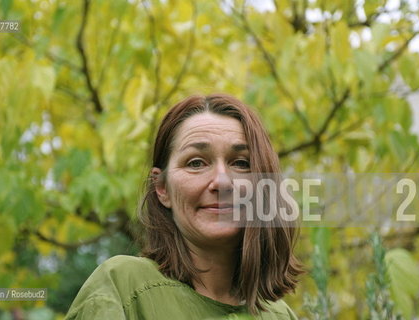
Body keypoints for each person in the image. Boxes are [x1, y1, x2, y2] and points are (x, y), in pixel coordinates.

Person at [64, 94, 303, 320]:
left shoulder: (280, 315)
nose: (222, 181)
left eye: (241, 163)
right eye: (196, 163)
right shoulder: (121, 287)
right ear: (162, 188)